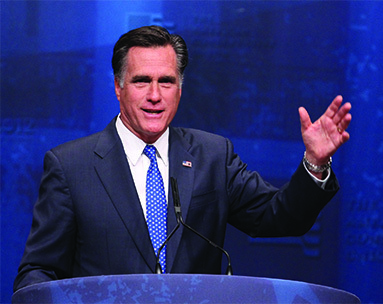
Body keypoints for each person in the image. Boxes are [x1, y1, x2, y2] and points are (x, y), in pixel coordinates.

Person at [14, 25, 351, 291]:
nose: (155, 95)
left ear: (180, 88)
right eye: (142, 81)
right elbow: (38, 271)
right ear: (118, 87)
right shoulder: (71, 166)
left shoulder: (212, 156)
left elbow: (279, 217)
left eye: (167, 81)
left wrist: (315, 162)